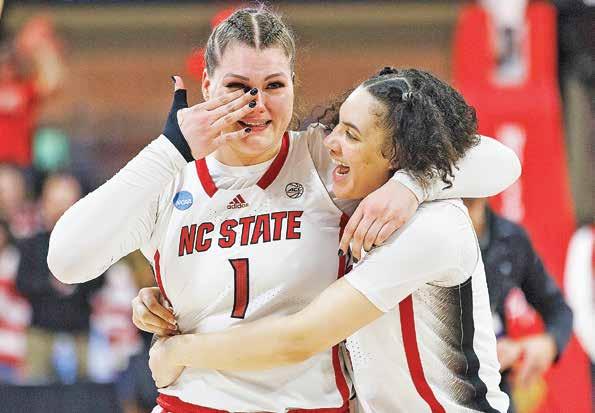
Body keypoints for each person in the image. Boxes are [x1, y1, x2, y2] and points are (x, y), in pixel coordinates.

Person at [49, 7, 519, 413]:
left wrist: (413, 183)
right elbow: (67, 261)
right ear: (207, 85)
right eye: (237, 86)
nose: (256, 103)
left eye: (273, 85)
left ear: (294, 85)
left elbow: (501, 162)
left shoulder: (326, 157)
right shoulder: (169, 177)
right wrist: (170, 149)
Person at [143, 67, 511, 412]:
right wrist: (179, 295)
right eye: (337, 126)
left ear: (400, 152)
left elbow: (300, 338)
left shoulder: (431, 226)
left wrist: (177, 352)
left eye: (351, 134)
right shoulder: (357, 203)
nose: (330, 142)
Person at [464, 198, 573, 412]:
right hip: (437, 386)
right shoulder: (425, 233)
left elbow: (558, 309)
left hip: (494, 388)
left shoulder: (511, 237)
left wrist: (546, 344)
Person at [16, 172, 104, 383]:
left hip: (79, 332)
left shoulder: (89, 245)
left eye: (66, 204)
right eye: (55, 203)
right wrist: (51, 283)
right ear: (43, 204)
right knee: (36, 389)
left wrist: (75, 282)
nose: (60, 211)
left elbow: (100, 281)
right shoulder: (32, 244)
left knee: (83, 390)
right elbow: (22, 282)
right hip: (41, 332)